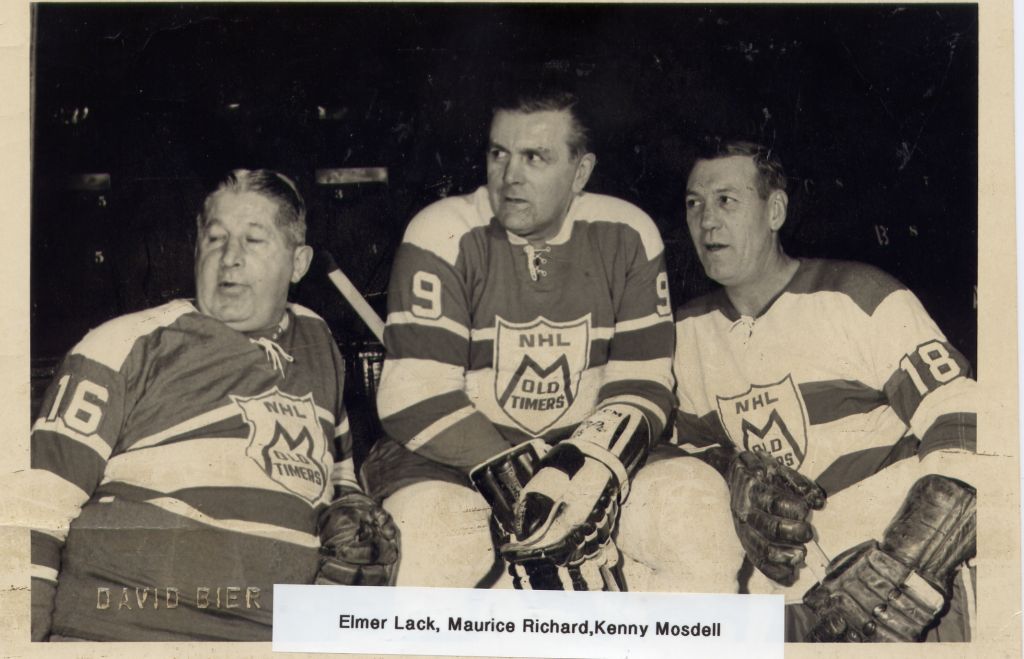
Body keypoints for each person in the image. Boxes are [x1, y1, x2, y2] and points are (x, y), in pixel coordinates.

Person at [361, 89, 735, 592]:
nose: (510, 175)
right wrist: (534, 491)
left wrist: (592, 472)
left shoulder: (627, 232)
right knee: (432, 528)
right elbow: (415, 394)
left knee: (694, 505)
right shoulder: (442, 230)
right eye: (499, 153)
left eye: (535, 157)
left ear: (580, 173)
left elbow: (642, 381)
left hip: (588, 450)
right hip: (455, 461)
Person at [29, 169, 398, 642]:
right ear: (195, 248)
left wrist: (348, 515)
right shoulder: (125, 344)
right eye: (216, 238)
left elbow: (339, 474)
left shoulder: (317, 342)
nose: (230, 259)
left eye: (254, 240)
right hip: (130, 634)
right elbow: (31, 509)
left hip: (275, 638)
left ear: (299, 262)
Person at [673, 140, 977, 641]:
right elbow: (676, 458)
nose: (706, 221)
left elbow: (964, 415)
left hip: (894, 586)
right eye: (694, 203)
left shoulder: (857, 293)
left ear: (774, 210)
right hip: (780, 598)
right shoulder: (688, 332)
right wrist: (726, 470)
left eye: (726, 200)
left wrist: (907, 562)